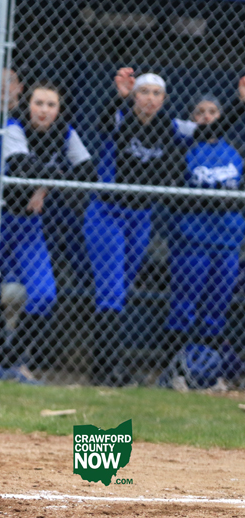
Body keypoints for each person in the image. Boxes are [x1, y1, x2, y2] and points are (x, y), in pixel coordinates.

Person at [0, 82, 97, 382]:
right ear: (27, 106)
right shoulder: (14, 127)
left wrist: (44, 184)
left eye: (51, 105)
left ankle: (11, 361)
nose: (44, 110)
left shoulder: (65, 132)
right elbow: (21, 167)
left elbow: (88, 171)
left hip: (28, 225)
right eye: (38, 103)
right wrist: (51, 178)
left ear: (59, 110)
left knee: (44, 294)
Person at [84, 68, 187, 386]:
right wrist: (119, 96)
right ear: (134, 96)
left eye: (156, 93)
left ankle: (103, 367)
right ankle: (107, 371)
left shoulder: (170, 126)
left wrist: (240, 104)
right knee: (111, 291)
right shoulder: (120, 119)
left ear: (164, 99)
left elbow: (209, 129)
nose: (150, 99)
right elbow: (103, 119)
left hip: (141, 217)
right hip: (108, 214)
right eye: (144, 92)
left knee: (122, 289)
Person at [162, 90, 245, 371]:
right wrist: (217, 200)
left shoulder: (235, 152)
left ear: (221, 116)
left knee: (217, 308)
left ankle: (208, 371)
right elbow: (175, 198)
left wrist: (216, 200)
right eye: (200, 112)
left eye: (212, 112)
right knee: (184, 306)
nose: (207, 117)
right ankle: (175, 370)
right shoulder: (184, 149)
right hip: (192, 240)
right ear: (192, 118)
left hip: (228, 242)